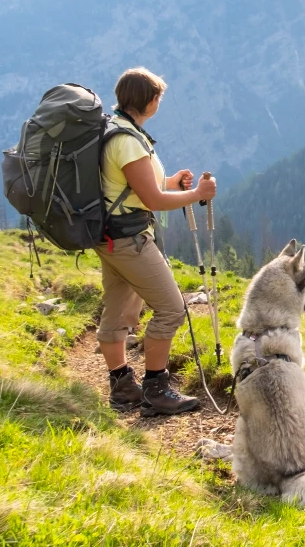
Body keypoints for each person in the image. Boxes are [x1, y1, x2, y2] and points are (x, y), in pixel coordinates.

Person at [96, 67, 217, 416]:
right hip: (129, 239)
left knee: (118, 308)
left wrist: (172, 181)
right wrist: (197, 194)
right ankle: (156, 390)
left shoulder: (115, 129)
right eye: (158, 97)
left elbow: (132, 186)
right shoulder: (127, 141)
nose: (159, 102)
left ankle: (122, 388)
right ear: (150, 100)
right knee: (171, 309)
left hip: (111, 237)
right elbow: (151, 199)